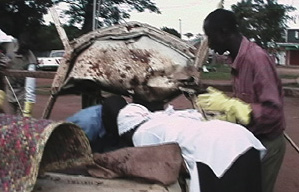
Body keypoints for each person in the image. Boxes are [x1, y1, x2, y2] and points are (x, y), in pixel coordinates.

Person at [196, 9, 286, 192]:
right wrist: (227, 108)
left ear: (224, 31)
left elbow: (274, 113)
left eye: (210, 37)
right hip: (250, 139)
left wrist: (233, 106)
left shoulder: (256, 59)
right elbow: (245, 101)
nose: (210, 44)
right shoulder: (237, 59)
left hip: (268, 142)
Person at [114, 103, 266, 192]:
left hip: (215, 151)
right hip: (242, 139)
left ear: (126, 130)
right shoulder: (166, 118)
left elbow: (155, 169)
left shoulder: (142, 133)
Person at [3, 37, 37, 117]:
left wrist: (28, 105)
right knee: (11, 118)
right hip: (10, 90)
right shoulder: (9, 48)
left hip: (22, 92)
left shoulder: (30, 59)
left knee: (22, 120)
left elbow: (30, 84)